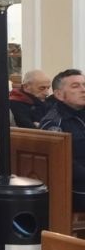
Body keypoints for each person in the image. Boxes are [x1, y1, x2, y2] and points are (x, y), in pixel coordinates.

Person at [40, 69, 85, 211]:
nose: (83, 90)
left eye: (84, 85)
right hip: (74, 188)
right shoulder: (54, 123)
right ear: (59, 95)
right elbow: (61, 163)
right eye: (75, 86)